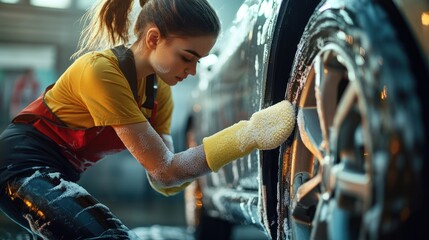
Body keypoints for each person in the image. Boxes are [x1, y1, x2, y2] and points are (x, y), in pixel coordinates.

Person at [0, 0, 296, 239]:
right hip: (19, 166)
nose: (192, 71)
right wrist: (249, 135)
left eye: (198, 61)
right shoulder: (100, 72)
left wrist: (204, 169)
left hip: (55, 172)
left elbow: (162, 180)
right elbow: (167, 171)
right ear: (153, 38)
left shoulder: (159, 91)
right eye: (187, 57)